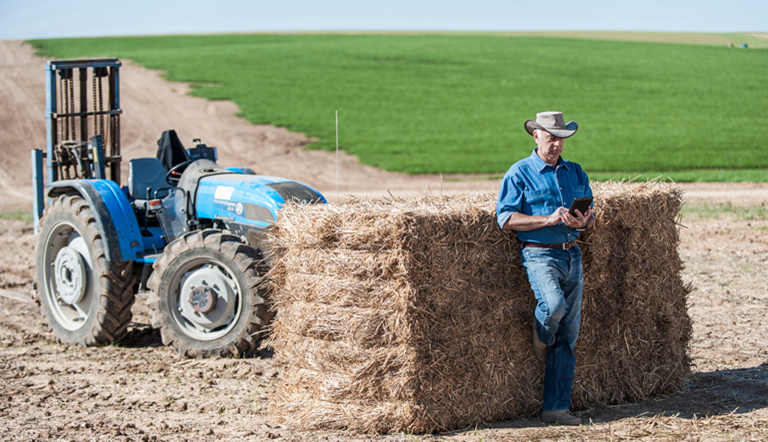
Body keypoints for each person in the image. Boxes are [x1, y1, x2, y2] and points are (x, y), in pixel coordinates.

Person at [496, 111, 594, 426]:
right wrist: (548, 220)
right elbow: (506, 218)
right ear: (536, 136)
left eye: (561, 139)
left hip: (572, 254)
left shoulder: (575, 172)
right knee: (552, 307)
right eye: (551, 138)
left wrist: (585, 221)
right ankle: (540, 338)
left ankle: (556, 409)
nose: (556, 145)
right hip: (539, 255)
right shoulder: (519, 173)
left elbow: (591, 215)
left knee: (568, 336)